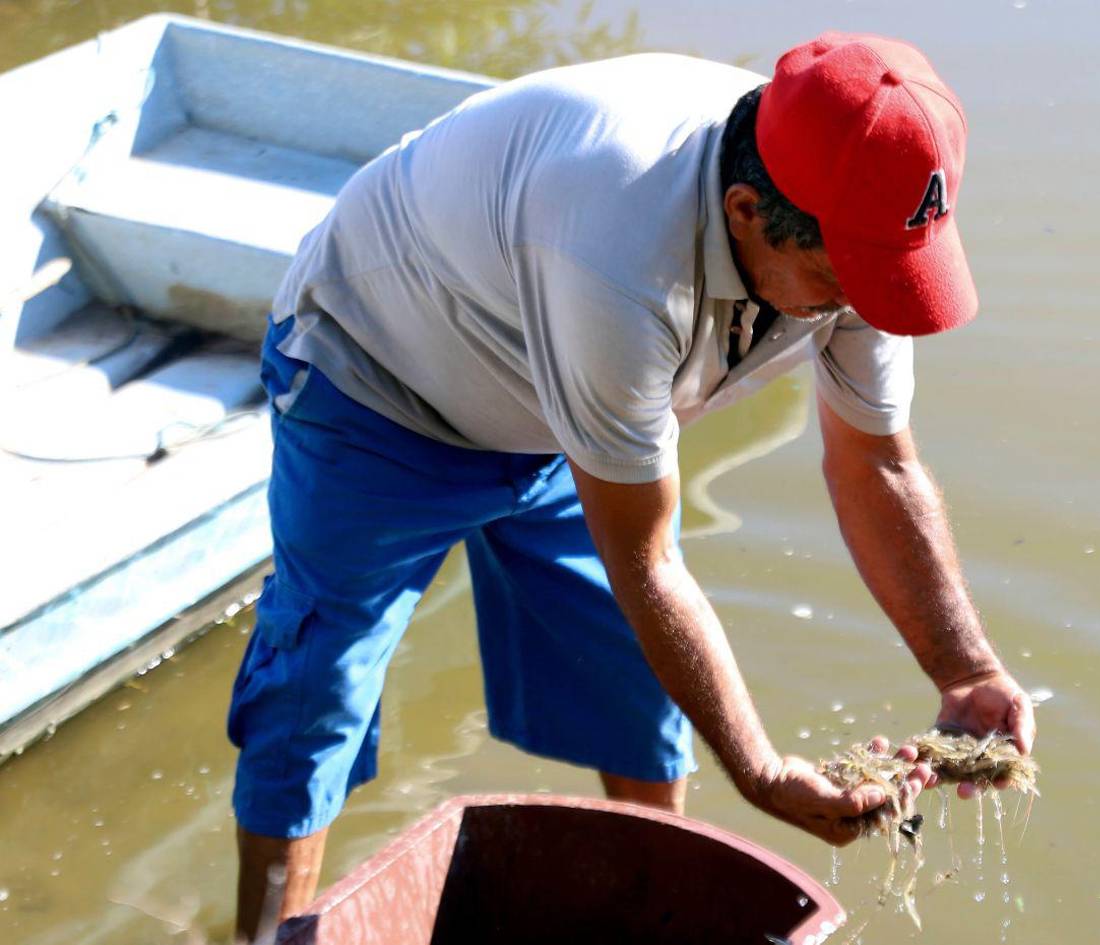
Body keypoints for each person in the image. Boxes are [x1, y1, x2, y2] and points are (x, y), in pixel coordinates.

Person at [229, 31, 1036, 941]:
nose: (867, 310)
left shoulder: (853, 230)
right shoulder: (614, 247)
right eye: (840, 282)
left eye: (894, 279)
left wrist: (965, 669)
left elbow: (876, 462)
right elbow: (645, 560)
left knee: (640, 686)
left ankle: (655, 909)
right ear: (745, 210)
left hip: (565, 408)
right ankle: (266, 934)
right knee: (317, 687)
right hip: (378, 383)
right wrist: (763, 772)